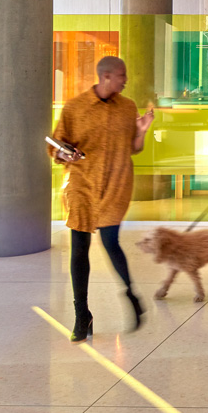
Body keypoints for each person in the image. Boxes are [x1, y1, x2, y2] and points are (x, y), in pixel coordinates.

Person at [50, 55, 155, 342]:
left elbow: (134, 148)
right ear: (106, 76)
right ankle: (81, 314)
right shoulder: (75, 108)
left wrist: (142, 131)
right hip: (81, 184)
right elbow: (56, 146)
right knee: (79, 248)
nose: (126, 80)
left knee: (110, 241)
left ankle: (131, 295)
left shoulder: (128, 107)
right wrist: (64, 154)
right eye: (122, 75)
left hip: (115, 185)